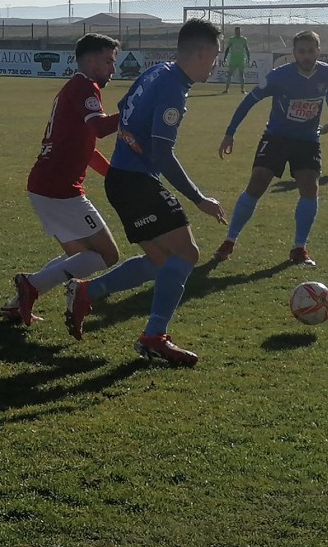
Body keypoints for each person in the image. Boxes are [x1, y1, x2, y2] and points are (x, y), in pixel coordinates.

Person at [64, 19, 226, 364]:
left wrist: (131, 140)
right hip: (135, 182)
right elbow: (163, 154)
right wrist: (199, 198)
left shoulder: (158, 72)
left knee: (160, 261)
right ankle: (154, 337)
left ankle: (86, 292)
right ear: (201, 53)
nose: (216, 63)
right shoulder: (173, 90)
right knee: (186, 254)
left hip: (125, 178)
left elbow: (125, 107)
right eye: (215, 55)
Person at [0, 34, 123, 325]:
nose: (112, 70)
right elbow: (101, 128)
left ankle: (18, 303)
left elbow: (89, 146)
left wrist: (112, 175)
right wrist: (133, 109)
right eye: (108, 61)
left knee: (79, 256)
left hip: (46, 185)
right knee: (107, 254)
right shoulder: (84, 87)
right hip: (59, 188)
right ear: (90, 60)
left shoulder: (77, 87)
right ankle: (31, 285)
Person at [212, 30, 328, 268]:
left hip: (307, 140)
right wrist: (230, 132)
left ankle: (299, 247)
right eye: (301, 52)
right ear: (294, 53)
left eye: (311, 51)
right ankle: (230, 240)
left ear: (318, 51)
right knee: (257, 183)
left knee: (310, 188)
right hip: (277, 137)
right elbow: (249, 100)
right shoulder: (279, 76)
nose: (306, 56)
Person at [222, 26, 250, 94]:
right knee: (230, 74)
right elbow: (228, 48)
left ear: (241, 31)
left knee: (241, 74)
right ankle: (226, 89)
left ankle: (242, 90)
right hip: (233, 59)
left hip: (241, 59)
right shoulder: (232, 39)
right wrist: (225, 57)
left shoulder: (244, 39)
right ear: (235, 32)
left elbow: (246, 49)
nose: (238, 32)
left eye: (239, 31)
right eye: (236, 31)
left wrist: (248, 57)